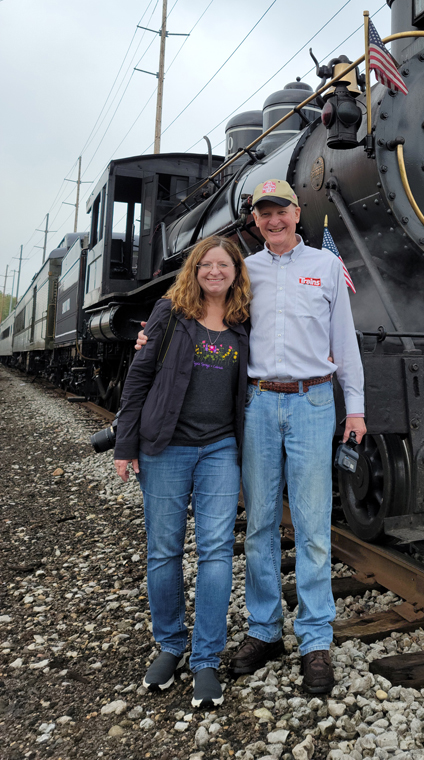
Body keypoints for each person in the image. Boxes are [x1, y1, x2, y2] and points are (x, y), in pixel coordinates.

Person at [140, 180, 366, 694]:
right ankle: (265, 632)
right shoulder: (245, 271)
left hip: (312, 401)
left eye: (281, 210)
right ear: (256, 220)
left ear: (296, 211)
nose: (274, 220)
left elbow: (344, 344)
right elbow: (204, 311)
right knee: (261, 525)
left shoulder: (328, 267)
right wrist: (149, 337)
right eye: (264, 213)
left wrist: (355, 408)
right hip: (259, 404)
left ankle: (314, 641)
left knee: (312, 528)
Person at [115, 235, 251, 708]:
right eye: (207, 264)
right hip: (165, 447)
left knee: (215, 552)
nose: (215, 272)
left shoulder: (244, 321)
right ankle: (171, 644)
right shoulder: (169, 313)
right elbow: (139, 377)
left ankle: (206, 658)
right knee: (164, 550)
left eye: (224, 265)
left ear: (236, 271)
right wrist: (125, 444)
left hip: (220, 449)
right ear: (194, 269)